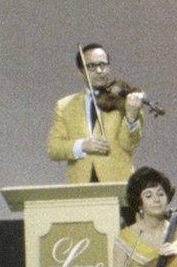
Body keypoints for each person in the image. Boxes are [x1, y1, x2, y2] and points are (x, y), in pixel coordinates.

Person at [45, 42, 146, 185]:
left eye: (103, 65)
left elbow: (128, 145)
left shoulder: (126, 101)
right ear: (80, 72)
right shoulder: (65, 106)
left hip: (118, 184)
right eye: (92, 66)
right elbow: (53, 148)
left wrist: (131, 117)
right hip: (81, 186)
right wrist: (83, 145)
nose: (99, 70)